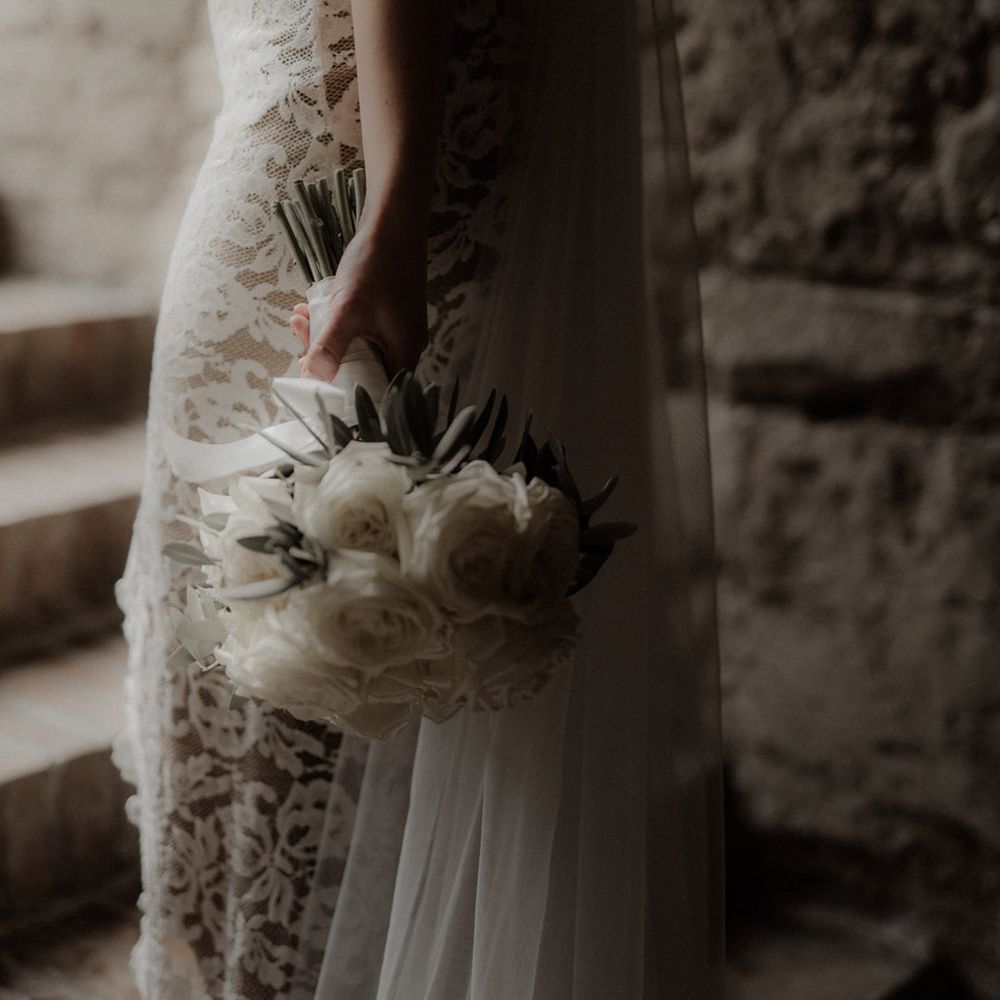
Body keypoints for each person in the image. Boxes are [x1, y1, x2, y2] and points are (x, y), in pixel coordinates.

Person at [116, 0, 724, 997]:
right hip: (424, 167)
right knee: (370, 637)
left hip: (323, 186)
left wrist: (387, 232)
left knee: (278, 651)